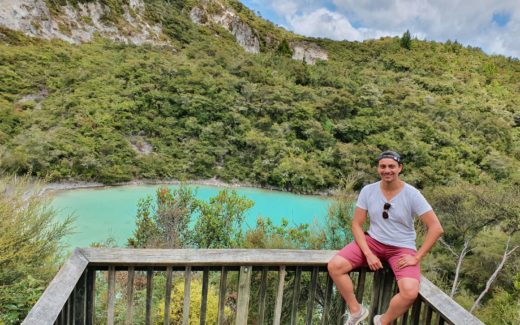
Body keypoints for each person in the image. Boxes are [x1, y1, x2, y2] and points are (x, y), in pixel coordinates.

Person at [327, 151, 444, 325]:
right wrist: (368, 253)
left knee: (410, 292)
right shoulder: (368, 191)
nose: (387, 170)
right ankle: (356, 310)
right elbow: (356, 225)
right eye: (383, 166)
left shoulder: (412, 194)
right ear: (378, 169)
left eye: (391, 166)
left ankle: (382, 321)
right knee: (335, 266)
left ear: (400, 168)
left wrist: (417, 257)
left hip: (402, 248)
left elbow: (436, 228)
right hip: (373, 242)